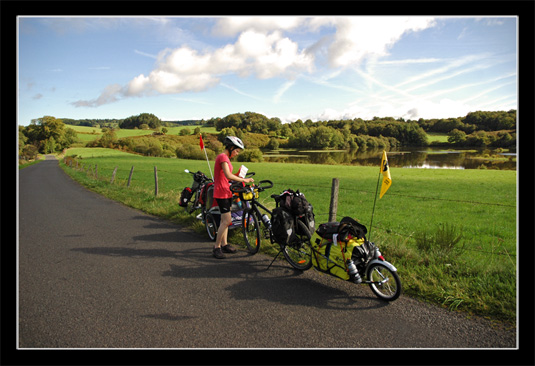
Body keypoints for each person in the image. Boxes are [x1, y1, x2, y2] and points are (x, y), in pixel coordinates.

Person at [212, 136, 254, 259]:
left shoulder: (226, 159)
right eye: (236, 151)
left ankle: (224, 244)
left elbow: (228, 176)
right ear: (231, 148)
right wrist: (243, 179)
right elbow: (228, 175)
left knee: (225, 221)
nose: (237, 153)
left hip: (226, 191)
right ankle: (216, 247)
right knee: (226, 221)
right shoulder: (223, 157)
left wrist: (239, 174)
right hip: (221, 193)